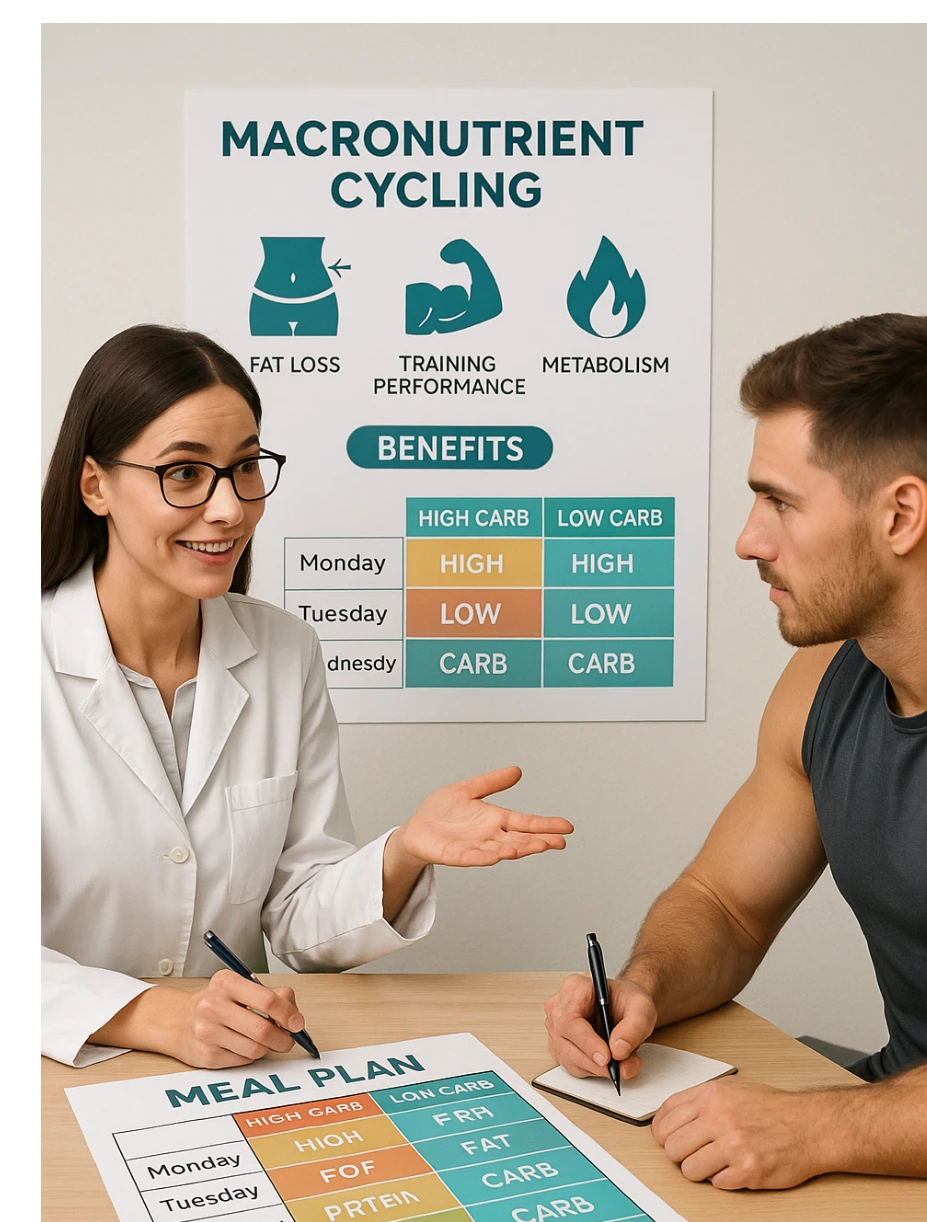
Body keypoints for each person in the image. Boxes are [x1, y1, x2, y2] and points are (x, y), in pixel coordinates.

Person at [43, 323, 574, 1071]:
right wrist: (155, 1015)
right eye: (185, 474)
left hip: (226, 1076)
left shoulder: (283, 653)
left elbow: (295, 920)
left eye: (245, 467)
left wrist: (404, 851)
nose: (229, 508)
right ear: (95, 484)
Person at [545, 313, 927, 1195]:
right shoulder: (828, 678)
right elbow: (727, 904)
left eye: (779, 501)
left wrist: (816, 1125)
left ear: (901, 514)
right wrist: (645, 988)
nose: (748, 539)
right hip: (907, 1129)